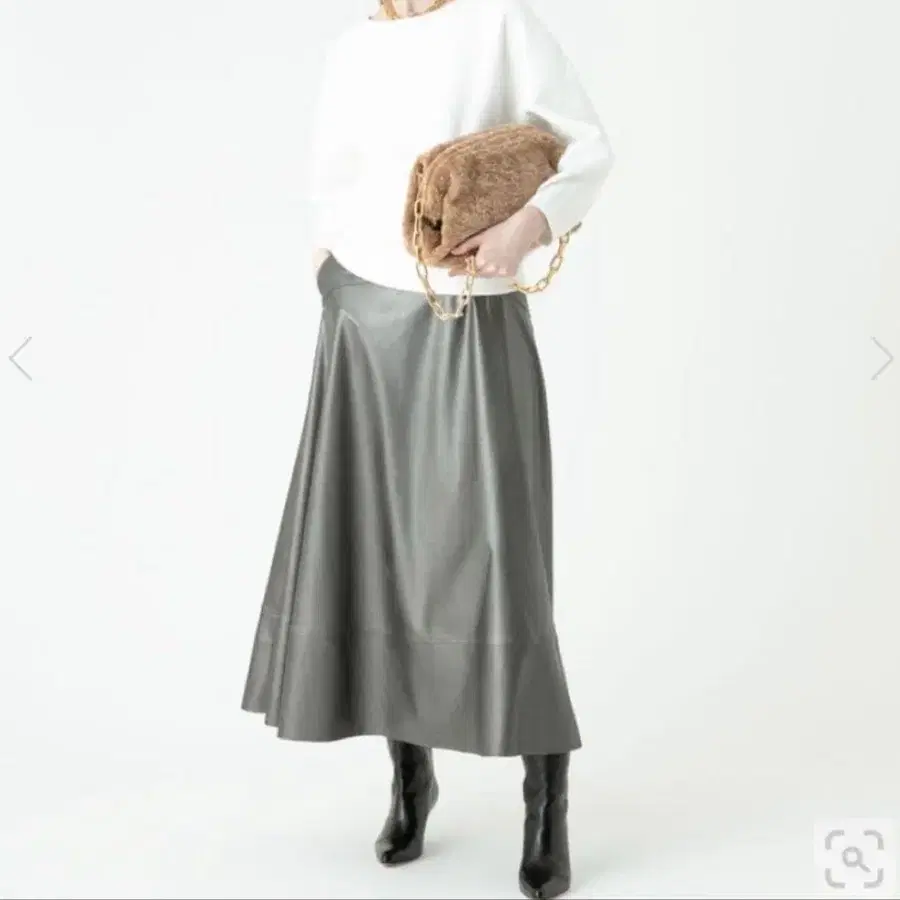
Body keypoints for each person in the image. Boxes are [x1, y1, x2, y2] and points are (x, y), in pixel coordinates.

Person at [241, 0, 614, 896]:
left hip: (467, 315)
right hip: (361, 319)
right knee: (381, 553)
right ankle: (411, 781)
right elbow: (335, 179)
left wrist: (528, 227)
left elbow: (588, 148)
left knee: (499, 558)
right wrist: (328, 267)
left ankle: (546, 805)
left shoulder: (500, 24)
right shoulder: (354, 48)